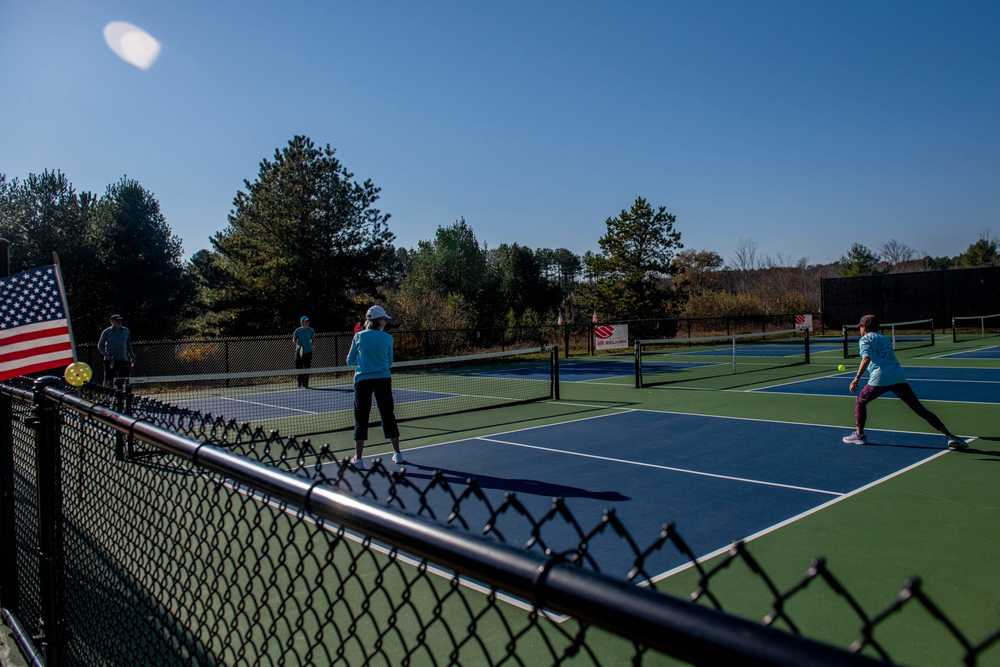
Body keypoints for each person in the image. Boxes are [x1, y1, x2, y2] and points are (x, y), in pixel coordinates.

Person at [843, 314, 965, 448]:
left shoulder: (864, 339)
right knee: (919, 408)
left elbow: (866, 358)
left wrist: (856, 378)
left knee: (860, 401)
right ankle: (949, 436)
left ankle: (859, 435)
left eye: (860, 327)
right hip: (897, 375)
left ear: (864, 327)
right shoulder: (885, 338)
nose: (859, 330)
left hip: (880, 377)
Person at [346, 305, 405, 467]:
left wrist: (364, 363)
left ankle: (358, 459)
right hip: (383, 379)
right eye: (384, 319)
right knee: (388, 415)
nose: (385, 322)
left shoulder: (358, 336)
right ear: (379, 321)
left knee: (361, 418)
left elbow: (350, 361)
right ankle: (398, 454)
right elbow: (390, 361)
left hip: (362, 381)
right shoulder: (388, 338)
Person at [97, 314, 135, 388]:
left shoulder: (126, 330)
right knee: (109, 379)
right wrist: (106, 355)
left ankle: (123, 393)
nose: (119, 322)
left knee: (125, 378)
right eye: (117, 321)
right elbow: (100, 346)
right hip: (110, 360)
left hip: (123, 359)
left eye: (120, 320)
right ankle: (107, 393)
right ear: (112, 322)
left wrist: (132, 356)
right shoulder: (106, 331)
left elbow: (128, 344)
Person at [292, 316, 315, 388]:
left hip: (308, 352)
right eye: (305, 321)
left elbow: (312, 339)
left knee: (307, 368)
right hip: (299, 352)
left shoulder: (311, 330)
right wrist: (297, 345)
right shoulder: (297, 330)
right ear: (302, 322)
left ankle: (306, 384)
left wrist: (312, 344)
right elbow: (294, 339)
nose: (307, 323)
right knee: (299, 368)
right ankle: (299, 383)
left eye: (308, 321)